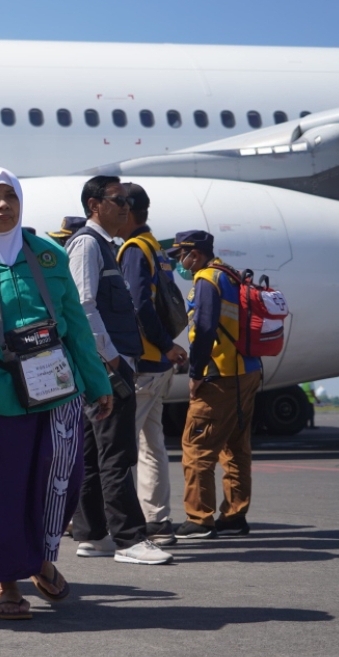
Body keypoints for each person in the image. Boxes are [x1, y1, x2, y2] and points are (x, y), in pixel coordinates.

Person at [0, 167, 111, 619]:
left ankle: (39, 557)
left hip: (56, 387)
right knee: (4, 491)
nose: (1, 206)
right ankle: (8, 584)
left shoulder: (49, 255)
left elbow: (74, 326)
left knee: (60, 481)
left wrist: (98, 383)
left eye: (9, 196)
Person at [65, 176, 173, 565]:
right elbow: (82, 306)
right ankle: (129, 539)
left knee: (95, 453)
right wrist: (111, 358)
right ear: (94, 205)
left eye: (127, 200)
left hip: (106, 365)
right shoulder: (87, 245)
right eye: (117, 199)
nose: (126, 206)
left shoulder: (104, 247)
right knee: (118, 453)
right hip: (106, 366)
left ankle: (93, 534)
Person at [167, 230, 262, 539]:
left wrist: (195, 373)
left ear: (195, 254)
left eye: (181, 255)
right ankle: (235, 516)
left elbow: (205, 328)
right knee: (235, 447)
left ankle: (199, 519)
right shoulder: (231, 275)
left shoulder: (207, 279)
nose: (180, 262)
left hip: (220, 374)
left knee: (196, 447)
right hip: (247, 371)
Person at [114, 184, 187, 546]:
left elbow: (138, 306)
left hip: (143, 361)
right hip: (160, 365)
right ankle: (158, 520)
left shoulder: (132, 250)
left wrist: (164, 345)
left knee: (122, 445)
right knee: (153, 445)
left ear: (127, 210)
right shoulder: (155, 247)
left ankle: (123, 524)